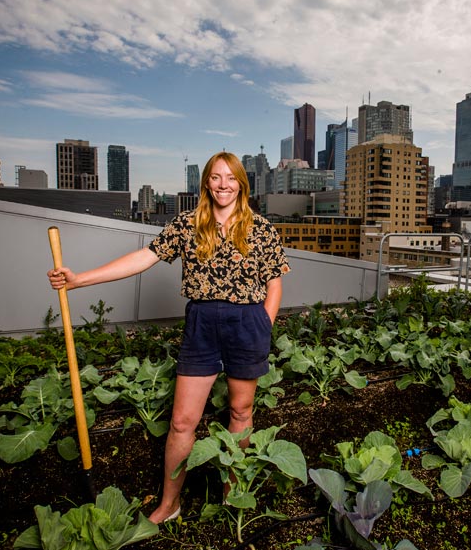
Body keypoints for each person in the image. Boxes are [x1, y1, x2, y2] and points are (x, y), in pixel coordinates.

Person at [47, 151, 290, 524]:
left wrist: (264, 325)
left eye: (230, 177)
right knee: (181, 422)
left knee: (241, 411)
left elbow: (275, 283)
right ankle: (170, 504)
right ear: (206, 183)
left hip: (247, 322)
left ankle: (233, 492)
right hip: (202, 323)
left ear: (242, 183)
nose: (223, 184)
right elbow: (143, 258)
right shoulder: (188, 224)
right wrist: (80, 279)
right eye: (215, 177)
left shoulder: (261, 229)